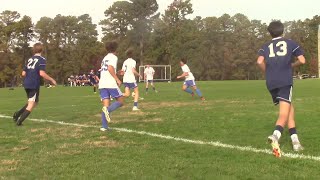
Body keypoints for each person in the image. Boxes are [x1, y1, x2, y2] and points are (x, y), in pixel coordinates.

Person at [257, 21, 306, 157]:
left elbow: (259, 61)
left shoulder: (265, 46)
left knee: (290, 109)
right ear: (282, 31)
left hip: (271, 82)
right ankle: (275, 136)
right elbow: (302, 60)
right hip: (284, 81)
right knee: (284, 114)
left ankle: (295, 142)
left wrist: (267, 72)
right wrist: (292, 65)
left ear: (270, 32)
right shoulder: (291, 43)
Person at [13, 43, 57, 126]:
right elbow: (42, 73)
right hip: (33, 84)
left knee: (35, 102)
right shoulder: (42, 59)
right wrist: (52, 79)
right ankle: (19, 122)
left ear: (34, 50)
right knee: (31, 103)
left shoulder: (29, 59)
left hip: (26, 83)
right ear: (42, 50)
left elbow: (23, 73)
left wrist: (30, 74)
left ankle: (17, 114)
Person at [99, 41, 124, 131]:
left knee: (106, 104)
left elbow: (107, 70)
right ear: (116, 49)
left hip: (102, 83)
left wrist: (116, 73)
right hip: (110, 83)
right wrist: (117, 79)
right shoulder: (113, 57)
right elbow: (110, 68)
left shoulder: (104, 58)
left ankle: (104, 127)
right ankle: (108, 111)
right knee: (120, 101)